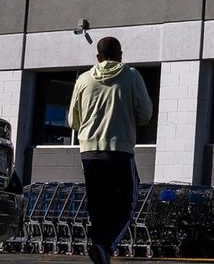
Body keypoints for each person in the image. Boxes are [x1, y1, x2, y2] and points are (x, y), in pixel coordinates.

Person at [67, 36, 154, 264]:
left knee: (98, 204)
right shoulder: (132, 76)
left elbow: (72, 120)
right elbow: (145, 114)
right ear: (120, 55)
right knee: (127, 203)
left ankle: (99, 247)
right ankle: (106, 245)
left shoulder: (83, 80)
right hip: (119, 150)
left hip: (89, 152)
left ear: (98, 57)